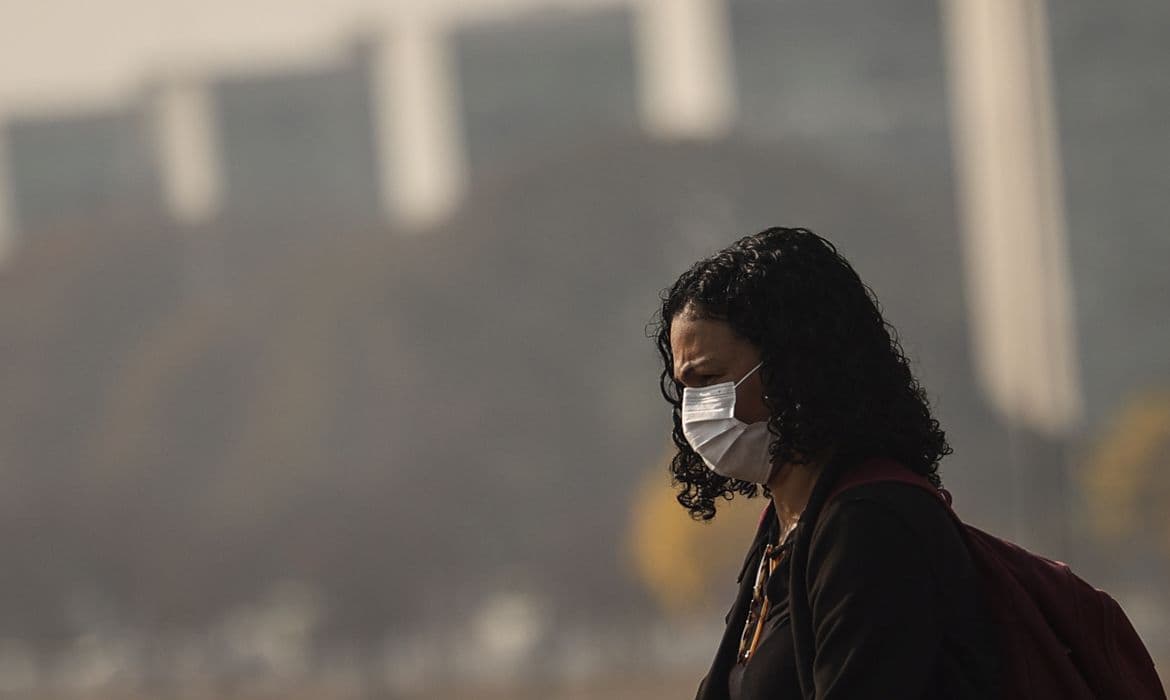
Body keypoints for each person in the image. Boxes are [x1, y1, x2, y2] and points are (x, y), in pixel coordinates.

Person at [652, 227, 999, 699]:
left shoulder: (872, 527)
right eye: (686, 387)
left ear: (795, 365)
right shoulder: (785, 530)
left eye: (710, 378)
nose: (696, 406)